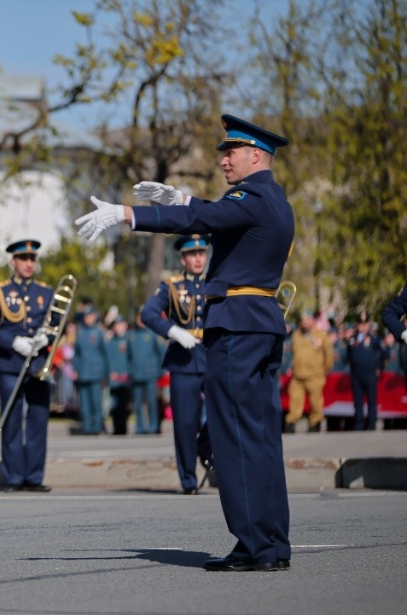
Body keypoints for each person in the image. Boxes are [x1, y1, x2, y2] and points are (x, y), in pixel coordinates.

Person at [76, 114, 293, 571]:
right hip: (261, 323)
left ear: (256, 155)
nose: (223, 160)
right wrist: (181, 197)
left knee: (233, 436)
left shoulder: (251, 196)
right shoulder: (274, 199)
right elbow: (216, 215)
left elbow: (206, 217)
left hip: (235, 325)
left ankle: (253, 545)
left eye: (230, 152)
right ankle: (271, 542)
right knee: (261, 438)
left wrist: (127, 214)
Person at [141, 235, 214, 494]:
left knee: (221, 413)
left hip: (212, 356)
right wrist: (172, 330)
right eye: (192, 254)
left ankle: (205, 448)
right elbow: (147, 314)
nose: (198, 258)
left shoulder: (215, 284)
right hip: (183, 360)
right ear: (183, 259)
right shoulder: (171, 286)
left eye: (202, 253)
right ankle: (188, 480)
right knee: (184, 423)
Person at [0, 239, 55, 492]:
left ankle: (34, 477)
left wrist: (47, 337)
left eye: (32, 259)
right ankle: (13, 477)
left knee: (38, 419)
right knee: (11, 420)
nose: (28, 264)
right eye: (24, 259)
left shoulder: (46, 292)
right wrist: (14, 341)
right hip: (11, 363)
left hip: (38, 364)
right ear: (13, 262)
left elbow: (57, 323)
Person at [285, 310, 334, 433]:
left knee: (315, 402)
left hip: (315, 375)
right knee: (295, 401)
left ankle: (314, 423)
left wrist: (325, 370)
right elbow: (292, 352)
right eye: (303, 320)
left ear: (312, 320)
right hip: (298, 374)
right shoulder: (296, 334)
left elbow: (329, 354)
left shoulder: (321, 335)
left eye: (308, 319)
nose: (305, 322)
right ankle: (291, 422)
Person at [72, 303, 108, 435]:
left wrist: (105, 373)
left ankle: (97, 427)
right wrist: (75, 369)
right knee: (85, 403)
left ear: (94, 316)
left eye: (90, 316)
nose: (88, 318)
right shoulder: (80, 332)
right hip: (83, 372)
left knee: (96, 402)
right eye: (86, 316)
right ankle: (87, 427)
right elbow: (77, 354)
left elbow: (105, 354)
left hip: (96, 372)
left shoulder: (98, 332)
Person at [127, 312, 164, 435]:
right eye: (138, 319)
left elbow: (160, 353)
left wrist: (160, 371)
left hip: (150, 373)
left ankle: (154, 426)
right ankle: (140, 426)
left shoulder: (152, 334)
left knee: (151, 402)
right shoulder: (131, 335)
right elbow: (128, 356)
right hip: (136, 374)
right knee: (137, 403)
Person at [346, 311, 384, 431]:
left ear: (368, 324)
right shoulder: (352, 340)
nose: (363, 326)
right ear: (357, 325)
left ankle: (371, 424)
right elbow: (348, 355)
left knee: (372, 400)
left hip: (370, 373)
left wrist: (380, 367)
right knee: (358, 401)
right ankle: (358, 424)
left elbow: (384, 354)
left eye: (365, 323)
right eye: (360, 323)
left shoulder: (375, 340)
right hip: (357, 374)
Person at [104, 316, 131, 435]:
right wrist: (111, 372)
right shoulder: (111, 341)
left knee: (124, 404)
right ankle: (117, 427)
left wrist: (128, 372)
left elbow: (131, 359)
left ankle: (123, 427)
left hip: (125, 378)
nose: (118, 327)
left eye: (120, 324)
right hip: (114, 378)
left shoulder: (129, 340)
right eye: (116, 325)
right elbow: (109, 359)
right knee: (114, 405)